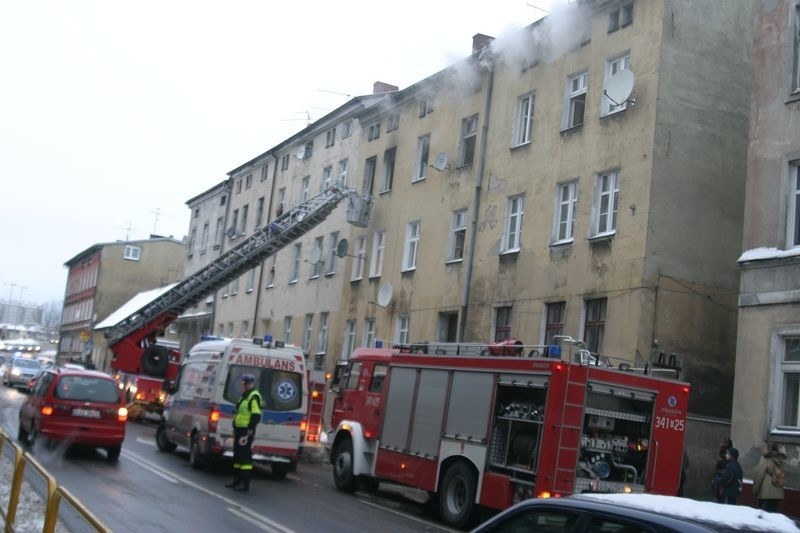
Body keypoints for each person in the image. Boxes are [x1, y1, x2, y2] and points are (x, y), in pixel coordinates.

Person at [225, 373, 262, 492]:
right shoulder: (245, 396)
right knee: (237, 455)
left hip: (246, 431)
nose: (244, 386)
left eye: (246, 384)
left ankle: (244, 483)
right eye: (243, 384)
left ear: (250, 383)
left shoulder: (254, 396)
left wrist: (250, 429)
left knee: (244, 457)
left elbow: (256, 414)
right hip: (239, 429)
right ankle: (236, 481)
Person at [753, 442, 786, 512]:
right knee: (772, 516)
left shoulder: (766, 458)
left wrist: (755, 490)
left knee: (762, 515)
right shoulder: (781, 459)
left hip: (766, 493)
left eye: (765, 447)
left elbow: (759, 475)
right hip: (778, 492)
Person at [712, 438, 733, 502]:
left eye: (726, 442)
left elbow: (726, 457)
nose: (724, 443)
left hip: (724, 473)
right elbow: (721, 454)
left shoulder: (729, 452)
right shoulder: (721, 460)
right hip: (721, 473)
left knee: (720, 493)